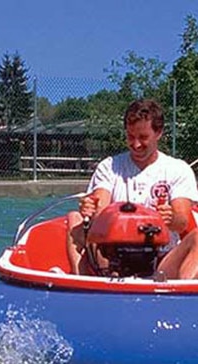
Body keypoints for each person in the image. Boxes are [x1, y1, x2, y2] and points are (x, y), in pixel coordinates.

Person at [66, 98, 198, 279]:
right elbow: (100, 206)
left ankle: (183, 296)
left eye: (143, 137)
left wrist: (171, 218)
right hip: (110, 259)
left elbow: (182, 221)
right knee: (75, 219)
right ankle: (81, 284)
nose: (136, 144)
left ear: (158, 133)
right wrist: (91, 209)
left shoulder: (178, 169)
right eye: (130, 136)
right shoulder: (109, 166)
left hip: (161, 263)